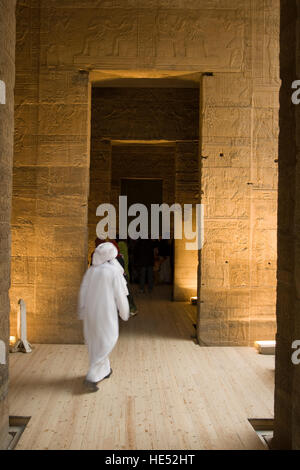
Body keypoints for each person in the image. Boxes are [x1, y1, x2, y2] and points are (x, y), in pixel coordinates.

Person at [78, 242, 130, 392]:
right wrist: (124, 312)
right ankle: (92, 377)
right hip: (105, 312)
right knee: (107, 340)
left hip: (90, 312)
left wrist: (82, 311)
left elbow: (83, 291)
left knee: (95, 342)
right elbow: (120, 295)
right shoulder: (113, 272)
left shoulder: (91, 271)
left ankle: (105, 370)